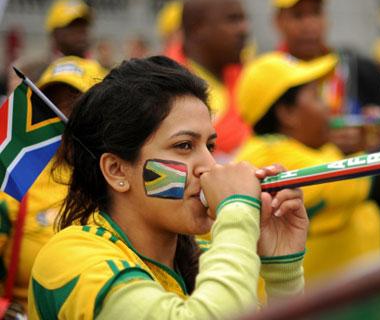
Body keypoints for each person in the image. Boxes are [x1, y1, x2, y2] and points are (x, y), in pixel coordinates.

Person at [27, 56, 307, 319]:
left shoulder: (202, 256)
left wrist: (283, 273)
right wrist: (237, 213)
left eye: (210, 146)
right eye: (184, 146)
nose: (209, 166)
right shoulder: (72, 258)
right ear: (116, 170)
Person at [235, 53, 380, 284]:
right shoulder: (270, 155)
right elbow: (360, 181)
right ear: (287, 113)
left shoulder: (304, 149)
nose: (328, 107)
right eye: (317, 96)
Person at [0, 55, 106, 317]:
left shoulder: (123, 178)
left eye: (77, 103)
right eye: (52, 103)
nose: (63, 114)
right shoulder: (17, 178)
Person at [269, 0, 380, 155]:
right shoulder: (267, 77)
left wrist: (372, 130)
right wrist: (325, 141)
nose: (309, 24)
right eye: (298, 15)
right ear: (277, 21)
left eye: (316, 13)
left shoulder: (357, 68)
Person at [181, 0, 251, 156]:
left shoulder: (249, 76)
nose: (244, 29)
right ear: (197, 28)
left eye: (243, 19)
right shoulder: (165, 89)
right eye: (232, 20)